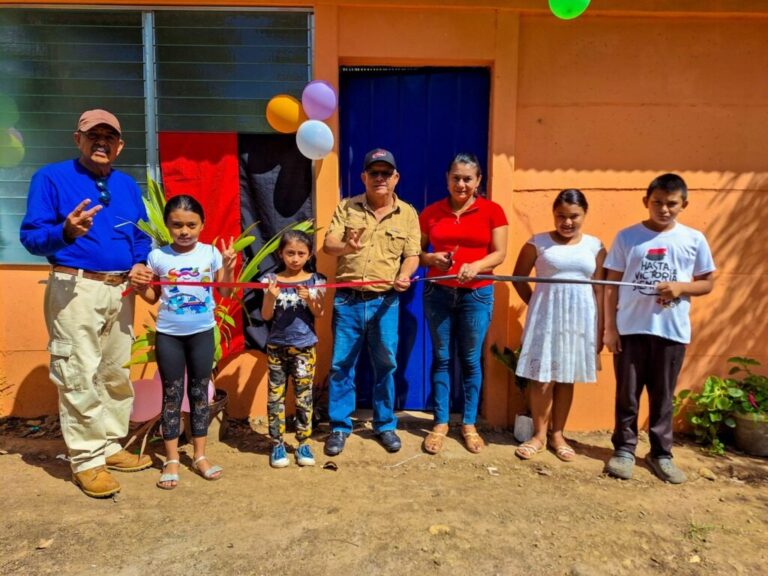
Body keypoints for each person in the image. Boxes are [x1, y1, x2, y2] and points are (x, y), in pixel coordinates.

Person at [19, 109, 154, 498]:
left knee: (114, 372)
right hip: (75, 289)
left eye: (109, 137)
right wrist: (65, 231)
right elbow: (31, 238)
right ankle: (87, 460)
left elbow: (140, 236)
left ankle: (110, 445)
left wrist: (139, 264)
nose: (101, 142)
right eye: (93, 135)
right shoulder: (50, 178)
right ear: (77, 139)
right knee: (78, 373)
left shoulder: (127, 185)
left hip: (120, 290)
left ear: (119, 145)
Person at [603, 173, 715, 484]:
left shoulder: (694, 239)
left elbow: (707, 283)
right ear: (646, 201)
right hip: (630, 329)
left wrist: (681, 287)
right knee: (627, 394)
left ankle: (661, 453)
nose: (664, 209)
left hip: (671, 331)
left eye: (671, 204)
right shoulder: (628, 237)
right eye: (657, 202)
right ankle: (624, 449)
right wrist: (610, 328)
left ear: (683, 205)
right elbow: (610, 285)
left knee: (663, 396)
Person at [322, 148, 421, 456]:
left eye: (386, 173)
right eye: (374, 173)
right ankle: (340, 427)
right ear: (363, 177)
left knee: (386, 365)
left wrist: (404, 275)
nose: (380, 178)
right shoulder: (347, 207)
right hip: (348, 301)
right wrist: (346, 247)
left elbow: (413, 255)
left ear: (396, 178)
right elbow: (328, 245)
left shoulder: (408, 214)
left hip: (385, 303)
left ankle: (385, 425)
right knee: (341, 366)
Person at [136, 195, 236, 489]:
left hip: (202, 333)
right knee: (171, 394)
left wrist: (228, 266)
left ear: (202, 224)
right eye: (177, 225)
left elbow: (226, 293)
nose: (184, 231)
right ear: (167, 225)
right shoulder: (158, 256)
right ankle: (171, 459)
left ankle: (200, 455)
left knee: (199, 394)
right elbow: (153, 297)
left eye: (191, 225)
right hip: (169, 335)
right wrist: (141, 288)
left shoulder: (211, 254)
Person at [419, 153, 508, 454]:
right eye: (456, 178)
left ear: (478, 180)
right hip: (438, 294)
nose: (461, 184)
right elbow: (416, 253)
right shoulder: (431, 213)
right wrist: (432, 258)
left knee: (470, 359)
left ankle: (469, 423)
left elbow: (500, 253)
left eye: (467, 179)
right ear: (447, 178)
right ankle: (441, 423)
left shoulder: (493, 211)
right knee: (442, 358)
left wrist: (477, 265)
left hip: (476, 294)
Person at [512, 189, 606, 461]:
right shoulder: (537, 243)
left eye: (574, 216)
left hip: (580, 320)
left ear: (584, 214)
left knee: (566, 377)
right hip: (546, 318)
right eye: (560, 216)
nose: (567, 222)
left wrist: (600, 327)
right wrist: (536, 304)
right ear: (553, 214)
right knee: (541, 378)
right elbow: (518, 278)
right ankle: (538, 435)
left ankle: (558, 435)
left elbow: (601, 289)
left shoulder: (595, 246)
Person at [260, 230, 325, 468]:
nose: (295, 258)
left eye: (300, 253)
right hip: (277, 347)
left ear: (309, 255)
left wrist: (310, 299)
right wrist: (270, 296)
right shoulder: (270, 280)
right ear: (281, 253)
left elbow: (319, 312)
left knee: (303, 397)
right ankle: (277, 443)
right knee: (275, 397)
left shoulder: (316, 280)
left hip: (305, 348)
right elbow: (266, 315)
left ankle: (303, 442)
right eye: (290, 253)